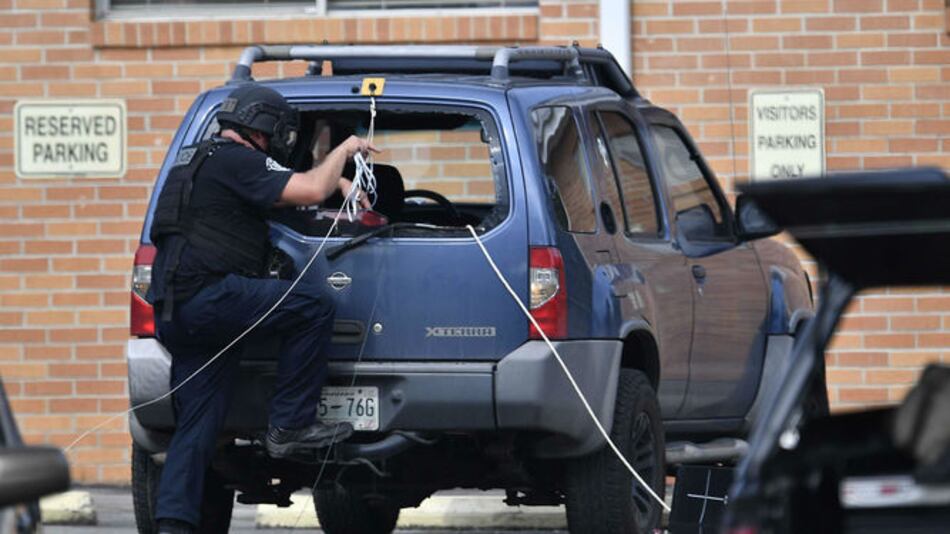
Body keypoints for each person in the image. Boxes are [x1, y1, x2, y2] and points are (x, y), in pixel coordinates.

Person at [146, 83, 378, 534]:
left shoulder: (197, 160)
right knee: (312, 306)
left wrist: (339, 185)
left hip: (176, 309)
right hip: (211, 298)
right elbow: (310, 189)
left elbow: (274, 203)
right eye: (278, 135)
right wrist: (346, 151)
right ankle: (289, 425)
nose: (279, 144)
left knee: (195, 428)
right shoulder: (239, 160)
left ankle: (174, 525)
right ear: (264, 127)